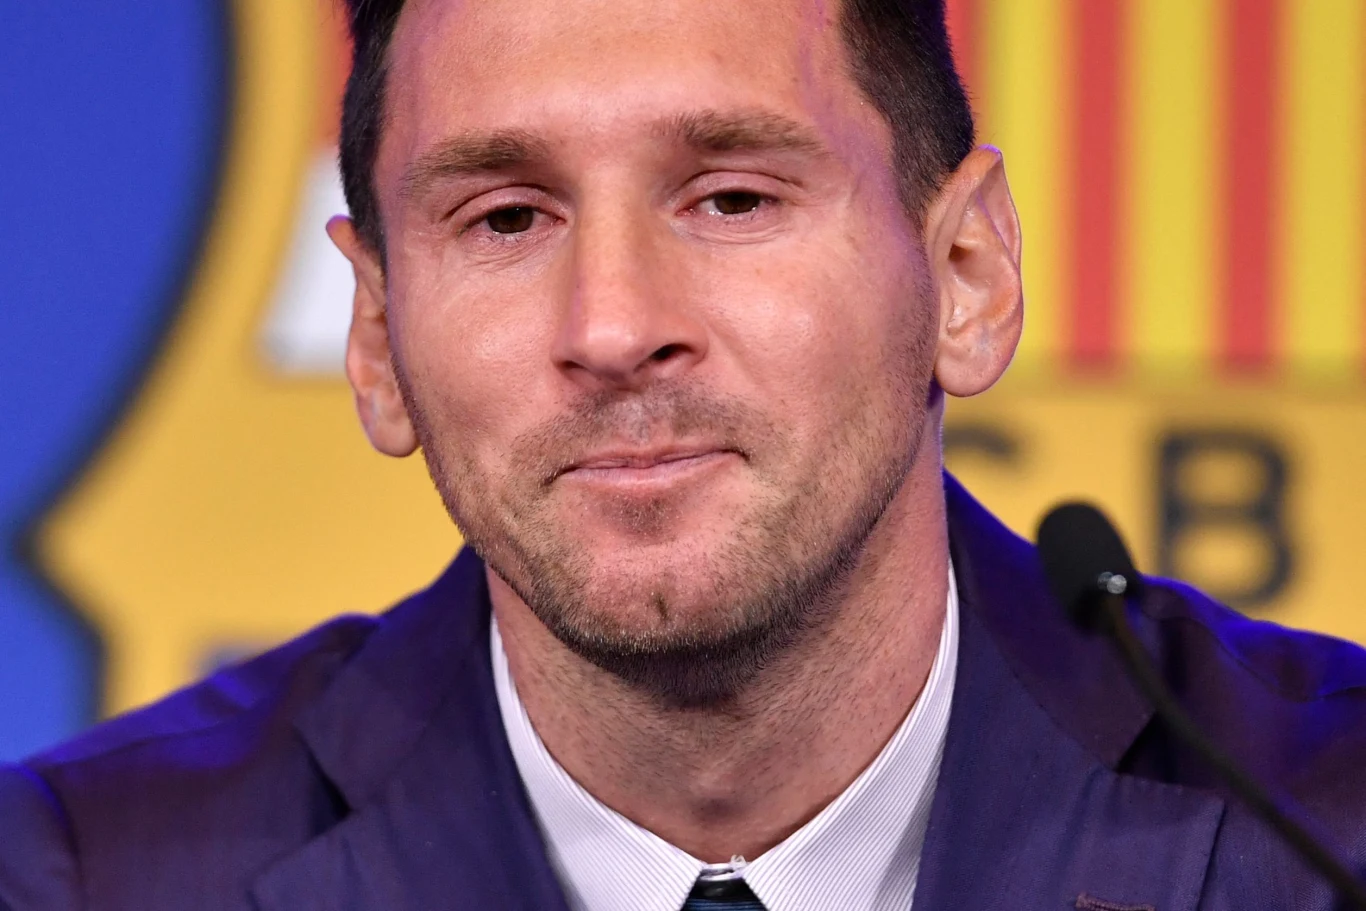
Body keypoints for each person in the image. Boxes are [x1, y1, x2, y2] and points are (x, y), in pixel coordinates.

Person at [3, 0, 1366, 908]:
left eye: (731, 198)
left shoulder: (1330, 826)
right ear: (376, 337)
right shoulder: (88, 876)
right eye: (505, 219)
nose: (612, 327)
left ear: (965, 273)